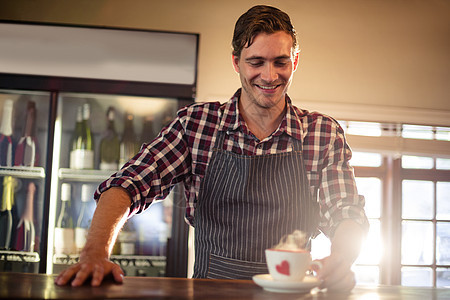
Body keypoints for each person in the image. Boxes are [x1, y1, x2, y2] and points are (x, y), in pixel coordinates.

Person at [55, 5, 368, 291]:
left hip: (289, 296)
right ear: (236, 62)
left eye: (280, 62)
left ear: (294, 61)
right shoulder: (197, 125)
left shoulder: (323, 134)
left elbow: (345, 211)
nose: (269, 75)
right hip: (209, 293)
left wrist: (342, 256)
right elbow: (128, 184)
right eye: (256, 62)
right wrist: (95, 252)